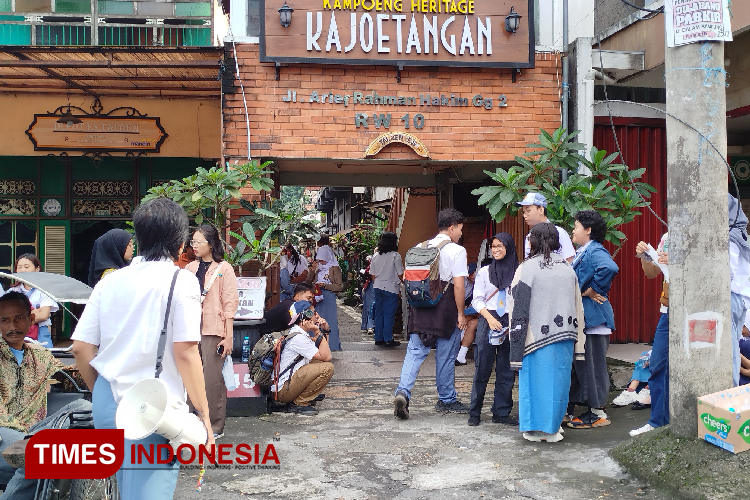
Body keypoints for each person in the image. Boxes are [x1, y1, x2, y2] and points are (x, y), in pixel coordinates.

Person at [71, 198, 215, 500]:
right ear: (180, 244)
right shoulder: (182, 281)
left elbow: (81, 348)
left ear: (137, 240)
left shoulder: (110, 282)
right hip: (152, 407)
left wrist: (107, 394)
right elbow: (186, 353)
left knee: (124, 490)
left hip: (107, 401)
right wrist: (204, 416)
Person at [0, 292, 91, 499]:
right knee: (42, 455)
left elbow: (72, 378)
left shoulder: (38, 354)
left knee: (84, 408)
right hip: (3, 432)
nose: (12, 325)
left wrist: (96, 361)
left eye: (18, 318)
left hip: (32, 431)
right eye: (4, 320)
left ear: (31, 319)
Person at [509, 223, 585, 443]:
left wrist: (516, 343)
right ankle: (553, 427)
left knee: (533, 384)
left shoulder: (527, 267)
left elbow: (518, 306)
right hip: (565, 336)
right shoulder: (567, 268)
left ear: (533, 241)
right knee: (558, 383)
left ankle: (534, 429)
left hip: (535, 337)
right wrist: (579, 340)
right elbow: (578, 304)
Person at [394, 208, 470, 419]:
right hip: (444, 308)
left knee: (415, 352)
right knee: (445, 355)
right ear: (452, 226)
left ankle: (403, 392)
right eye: (460, 229)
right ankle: (446, 399)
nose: (461, 234)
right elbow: (459, 286)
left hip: (421, 307)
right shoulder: (457, 251)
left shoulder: (420, 247)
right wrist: (461, 314)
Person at [185, 224, 239, 440]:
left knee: (212, 379)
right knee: (189, 377)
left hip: (214, 330)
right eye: (193, 242)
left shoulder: (224, 268)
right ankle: (191, 424)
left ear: (211, 243)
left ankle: (215, 427)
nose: (194, 246)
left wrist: (228, 335)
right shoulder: (189, 269)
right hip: (190, 330)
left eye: (198, 242)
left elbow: (230, 303)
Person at [566, 210, 619, 429]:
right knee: (583, 365)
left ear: (588, 230)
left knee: (594, 366)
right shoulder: (584, 250)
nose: (573, 230)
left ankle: (598, 413)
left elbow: (610, 267)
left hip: (595, 318)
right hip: (587, 319)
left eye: (576, 226)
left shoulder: (595, 250)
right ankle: (587, 407)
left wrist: (591, 289)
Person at [467, 232, 519, 426]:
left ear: (509, 248)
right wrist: (490, 319)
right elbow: (477, 299)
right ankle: (474, 413)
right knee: (483, 368)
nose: (496, 249)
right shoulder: (484, 272)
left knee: (506, 370)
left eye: (500, 246)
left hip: (510, 319)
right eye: (493, 246)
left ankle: (501, 412)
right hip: (488, 318)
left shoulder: (519, 271)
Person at [629, 233, 669, 437]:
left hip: (694, 310)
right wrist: (646, 256)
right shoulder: (667, 237)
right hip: (669, 309)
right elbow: (652, 273)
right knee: (658, 365)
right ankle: (658, 422)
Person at [272, 301, 334, 416]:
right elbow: (327, 357)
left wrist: (325, 331)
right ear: (303, 317)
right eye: (312, 312)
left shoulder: (300, 334)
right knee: (327, 368)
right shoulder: (299, 338)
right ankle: (300, 403)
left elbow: (323, 352)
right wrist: (317, 331)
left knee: (319, 362)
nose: (317, 316)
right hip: (282, 392)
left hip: (284, 387)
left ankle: (305, 394)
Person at [7, 254, 58, 348]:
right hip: (16, 332)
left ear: (37, 269)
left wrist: (18, 317)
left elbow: (43, 315)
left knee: (43, 360)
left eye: (26, 267)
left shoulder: (44, 290)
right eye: (19, 267)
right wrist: (35, 311)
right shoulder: (12, 291)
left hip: (41, 332)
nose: (22, 270)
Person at [307, 235, 344, 351]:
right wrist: (312, 270)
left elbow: (339, 286)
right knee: (315, 320)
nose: (321, 262)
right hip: (317, 297)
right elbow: (308, 281)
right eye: (319, 260)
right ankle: (315, 344)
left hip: (328, 297)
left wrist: (326, 286)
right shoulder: (318, 268)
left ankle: (331, 345)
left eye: (323, 259)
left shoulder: (334, 268)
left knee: (329, 320)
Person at [515, 192, 576, 263]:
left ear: (541, 210)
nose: (525, 215)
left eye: (528, 211)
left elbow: (569, 262)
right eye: (523, 212)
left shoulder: (559, 233)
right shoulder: (530, 236)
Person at [729, 194, 750, 387]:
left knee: (730, 351)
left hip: (730, 299)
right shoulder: (741, 237)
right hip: (739, 300)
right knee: (733, 349)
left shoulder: (731, 238)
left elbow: (727, 274)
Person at [370, 232, 403, 348]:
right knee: (389, 314)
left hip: (378, 286)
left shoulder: (376, 255)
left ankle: (378, 338)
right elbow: (400, 274)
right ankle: (388, 338)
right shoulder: (395, 255)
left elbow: (372, 274)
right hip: (390, 288)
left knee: (379, 313)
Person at [261, 283, 330, 335]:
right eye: (308, 298)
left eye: (312, 298)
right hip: (265, 338)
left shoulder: (291, 304)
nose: (310, 301)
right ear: (297, 296)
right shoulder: (291, 306)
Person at [456, 262, 479, 366]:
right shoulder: (466, 282)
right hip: (474, 312)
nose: (470, 276)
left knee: (470, 320)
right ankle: (460, 355)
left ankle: (457, 348)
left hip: (490, 314)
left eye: (472, 273)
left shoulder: (482, 281)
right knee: (470, 321)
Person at [360, 255, 375, 333]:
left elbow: (369, 272)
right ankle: (369, 325)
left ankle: (369, 325)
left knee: (370, 305)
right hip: (371, 285)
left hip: (372, 285)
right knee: (370, 305)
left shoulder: (373, 263)